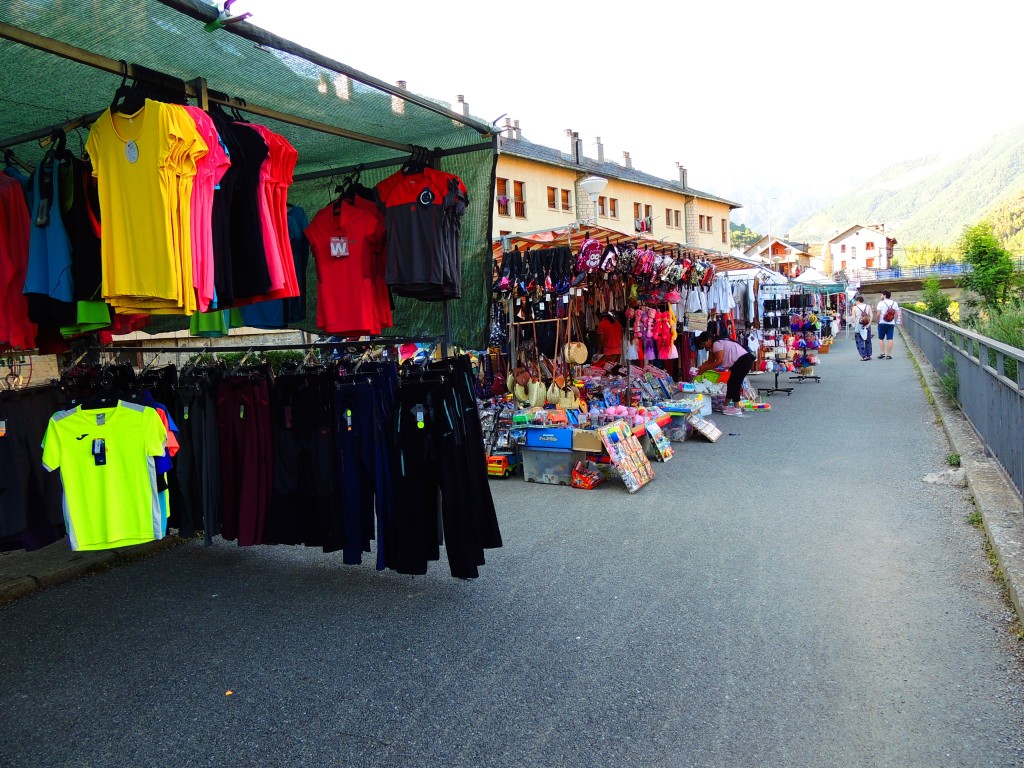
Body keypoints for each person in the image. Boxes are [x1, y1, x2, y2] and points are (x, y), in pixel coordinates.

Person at [693, 331, 755, 416]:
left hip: (743, 361)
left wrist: (705, 368)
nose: (704, 347)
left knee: (735, 383)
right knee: (731, 383)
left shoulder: (716, 344)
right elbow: (710, 361)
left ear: (709, 340)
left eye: (704, 344)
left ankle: (737, 408)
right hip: (739, 362)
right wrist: (701, 367)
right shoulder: (712, 347)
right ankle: (725, 405)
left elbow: (719, 361)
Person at [875, 290, 901, 359]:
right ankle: (888, 355)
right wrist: (894, 322)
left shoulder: (880, 303)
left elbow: (878, 314)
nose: (881, 296)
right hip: (891, 323)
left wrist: (878, 321)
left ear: (885, 296)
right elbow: (897, 314)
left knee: (881, 338)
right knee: (890, 338)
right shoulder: (894, 303)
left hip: (882, 323)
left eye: (881, 295)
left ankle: (882, 353)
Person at [850, 295, 873, 361]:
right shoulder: (868, 306)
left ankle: (864, 355)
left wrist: (855, 324)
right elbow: (871, 315)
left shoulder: (854, 307)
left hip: (859, 325)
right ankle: (869, 355)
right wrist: (869, 323)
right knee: (868, 340)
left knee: (860, 340)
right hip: (867, 324)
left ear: (858, 301)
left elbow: (853, 317)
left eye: (856, 301)